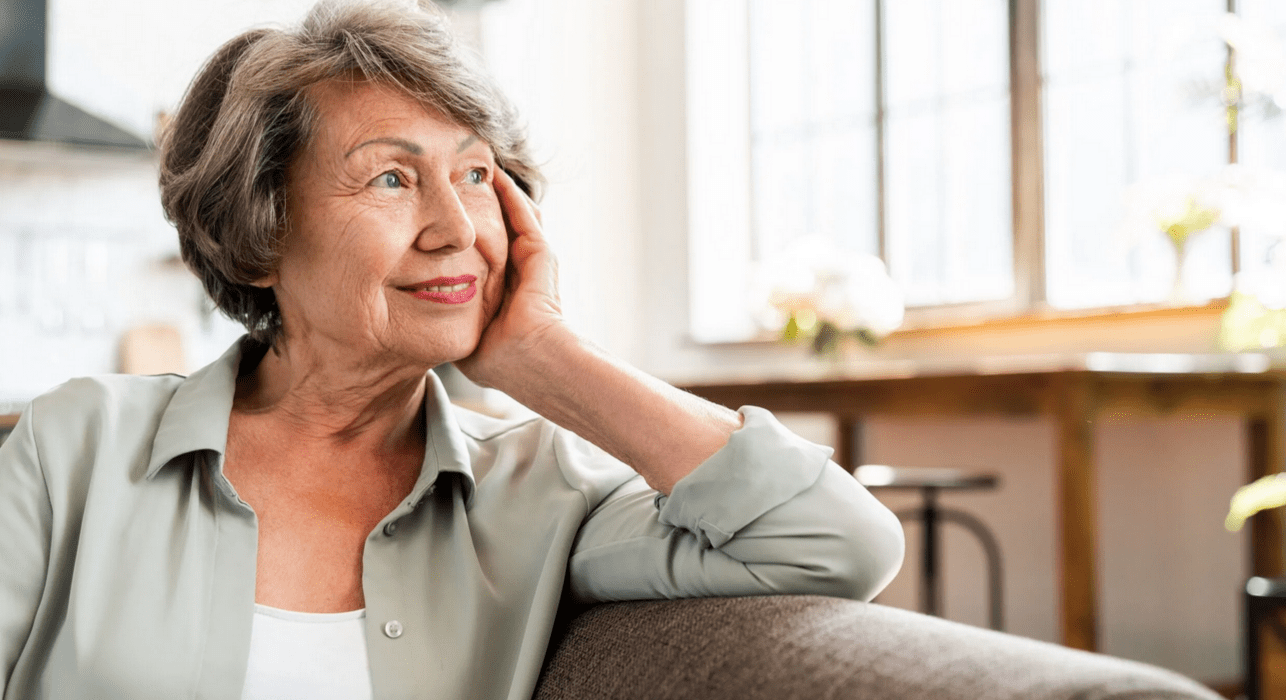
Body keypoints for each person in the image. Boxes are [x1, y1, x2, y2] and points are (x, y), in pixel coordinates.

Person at [0, 1, 904, 698]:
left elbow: (837, 544)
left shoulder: (545, 491)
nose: (456, 227)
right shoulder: (71, 447)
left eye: (476, 175)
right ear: (259, 235)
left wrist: (545, 354)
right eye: (392, 178)